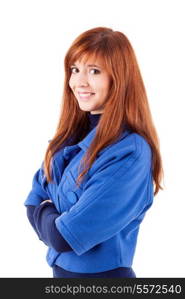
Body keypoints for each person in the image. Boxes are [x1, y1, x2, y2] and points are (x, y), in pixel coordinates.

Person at [24, 26, 164, 278]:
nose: (80, 82)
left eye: (94, 71)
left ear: (118, 79)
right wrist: (48, 212)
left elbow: (64, 236)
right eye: (75, 70)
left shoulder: (128, 153)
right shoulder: (70, 138)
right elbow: (32, 201)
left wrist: (45, 209)